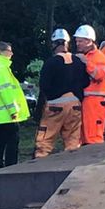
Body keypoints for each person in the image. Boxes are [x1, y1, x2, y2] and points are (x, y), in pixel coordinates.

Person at [35, 29, 88, 158]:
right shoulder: (78, 61)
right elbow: (86, 82)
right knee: (72, 141)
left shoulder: (51, 63)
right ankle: (70, 166)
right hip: (75, 105)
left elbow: (44, 86)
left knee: (45, 141)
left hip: (55, 105)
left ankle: (38, 166)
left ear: (54, 44)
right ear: (67, 44)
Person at [0, 41, 29, 170]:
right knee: (13, 139)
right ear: (1, 52)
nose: (11, 53)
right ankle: (11, 167)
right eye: (9, 51)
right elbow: (6, 92)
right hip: (6, 114)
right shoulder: (1, 69)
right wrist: (13, 110)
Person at [74, 24, 105, 144]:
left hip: (95, 101)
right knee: (83, 136)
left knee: (93, 136)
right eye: (77, 41)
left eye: (80, 41)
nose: (77, 44)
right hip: (84, 100)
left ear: (89, 41)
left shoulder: (99, 57)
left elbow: (99, 75)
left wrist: (86, 63)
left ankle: (96, 160)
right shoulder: (82, 56)